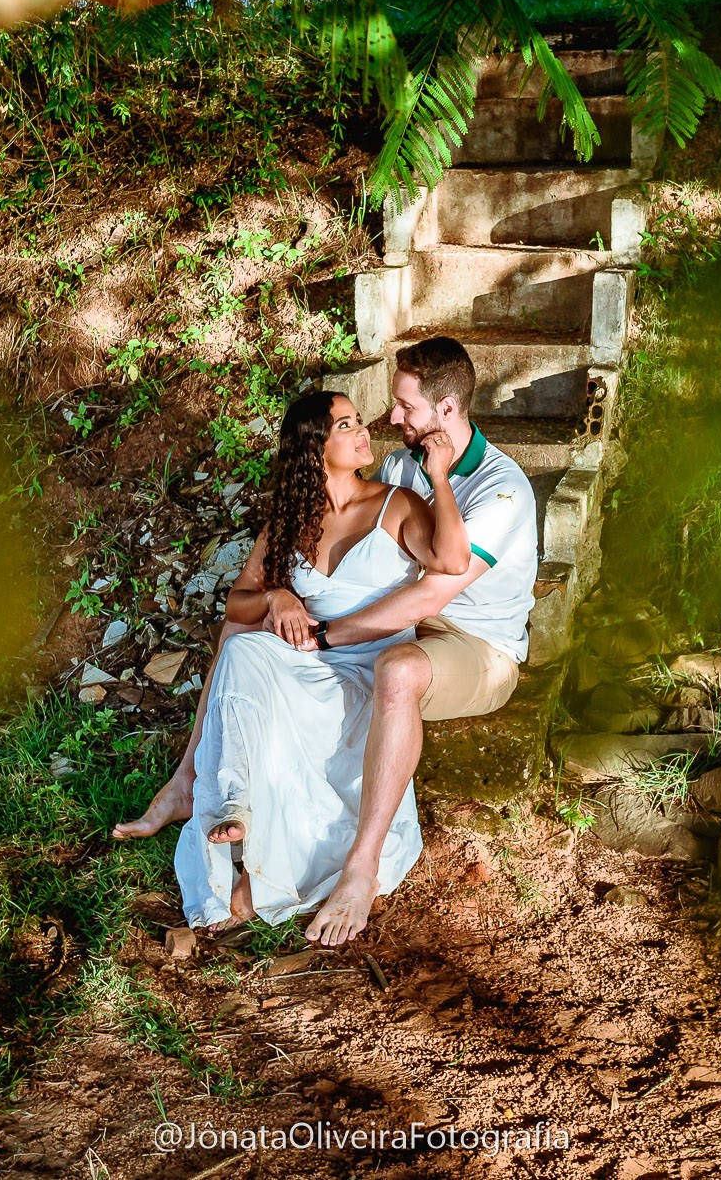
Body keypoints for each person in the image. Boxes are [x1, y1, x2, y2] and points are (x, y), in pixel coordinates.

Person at [114, 389, 470, 931]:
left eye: (358, 422)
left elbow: (451, 559)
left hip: (368, 670)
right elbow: (238, 603)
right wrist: (277, 597)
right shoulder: (292, 519)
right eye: (346, 426)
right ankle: (232, 807)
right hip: (304, 665)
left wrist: (439, 478)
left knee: (245, 649)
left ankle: (233, 827)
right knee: (242, 646)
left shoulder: (395, 505)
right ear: (314, 447)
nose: (363, 432)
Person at [295, 336, 538, 945]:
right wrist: (286, 597)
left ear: (448, 410)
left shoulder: (503, 490)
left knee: (396, 672)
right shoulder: (402, 466)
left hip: (476, 646)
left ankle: (362, 865)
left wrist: (330, 633)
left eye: (405, 407)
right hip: (402, 627)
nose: (392, 419)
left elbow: (433, 596)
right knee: (271, 653)